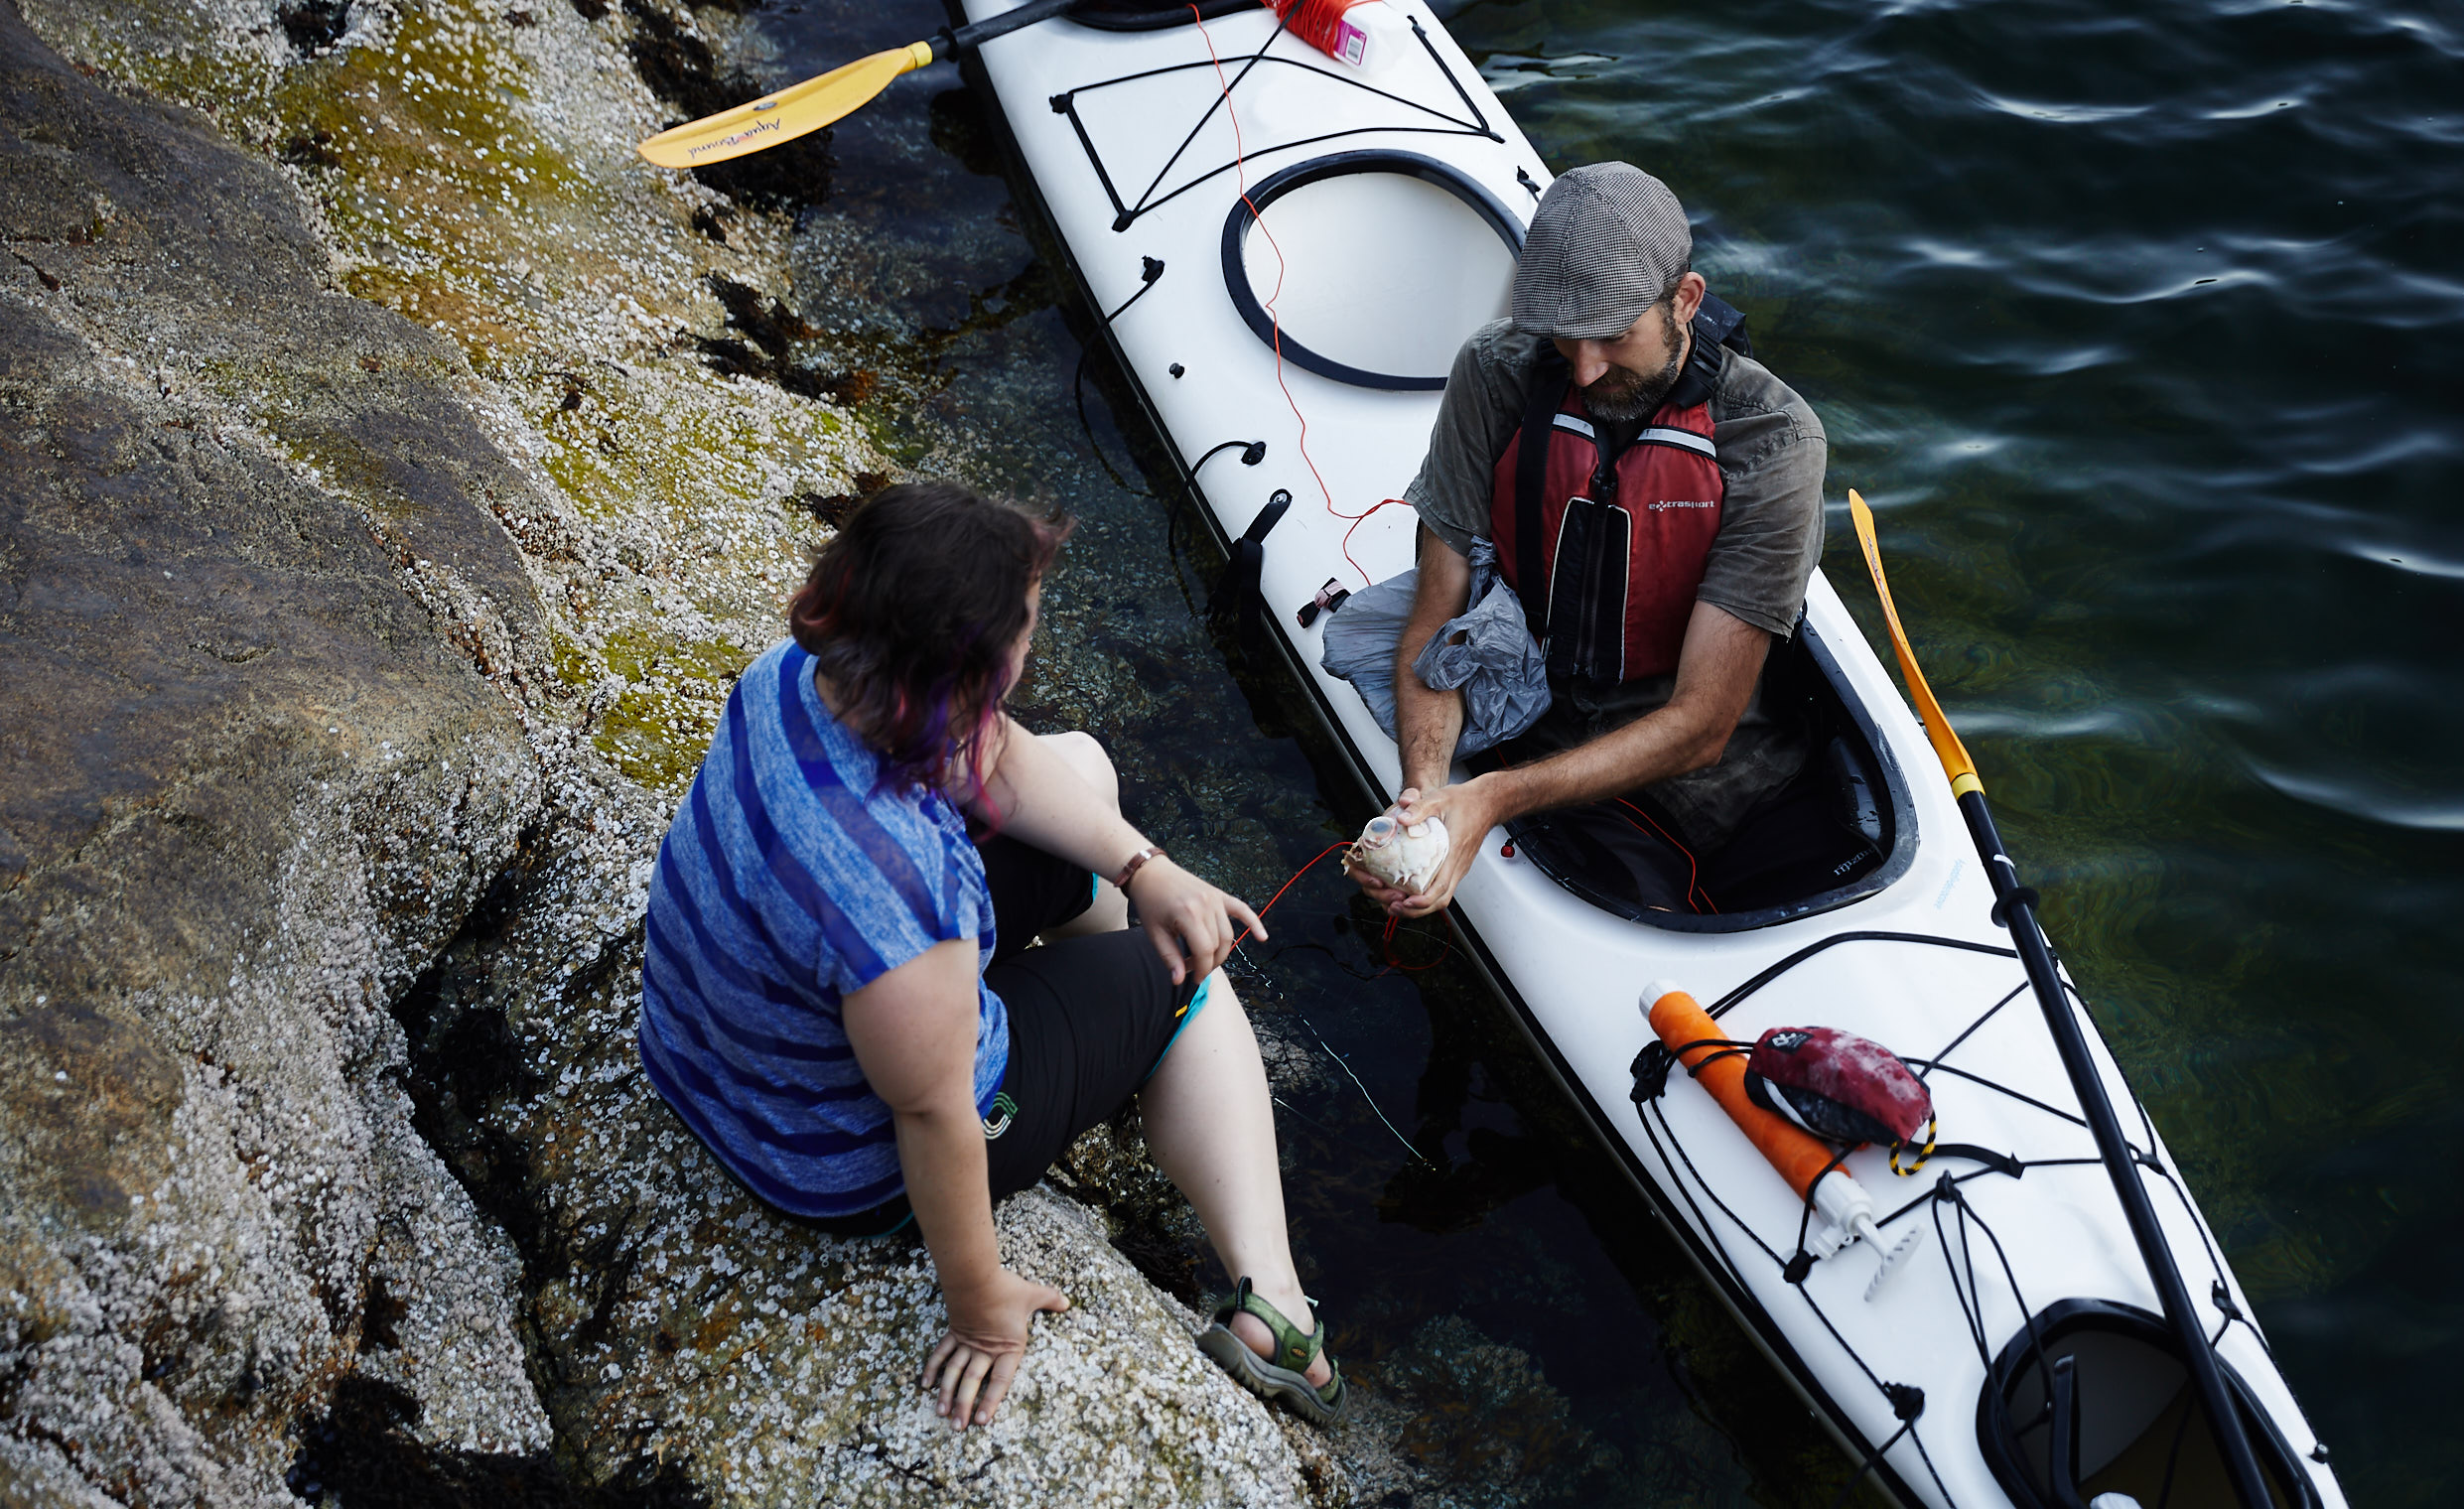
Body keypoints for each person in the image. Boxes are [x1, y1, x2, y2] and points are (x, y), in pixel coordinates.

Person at [636, 481, 1344, 1430]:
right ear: (965, 679)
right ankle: (1278, 1310)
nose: (1026, 654)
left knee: (1083, 766)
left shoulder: (800, 677)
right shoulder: (899, 893)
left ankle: (1108, 1002)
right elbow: (930, 1118)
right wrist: (979, 1310)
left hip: (713, 1052)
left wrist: (1148, 870)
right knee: (1190, 984)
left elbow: (1000, 751)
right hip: (835, 1161)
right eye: (1020, 642)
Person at [1352, 163, 1829, 917]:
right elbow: (1437, 614)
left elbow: (1704, 724)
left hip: (1709, 775)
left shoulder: (1773, 441)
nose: (1585, 367)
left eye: (1612, 334)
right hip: (1536, 722)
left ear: (1686, 300)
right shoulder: (1494, 371)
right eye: (1563, 338)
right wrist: (1426, 799)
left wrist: (1496, 797)